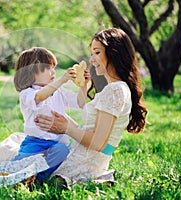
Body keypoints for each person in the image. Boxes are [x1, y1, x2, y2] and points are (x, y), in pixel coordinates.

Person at [34, 28, 148, 184]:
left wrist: (67, 128)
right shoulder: (114, 88)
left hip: (83, 164)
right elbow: (92, 129)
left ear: (114, 53)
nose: (92, 60)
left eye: (97, 52)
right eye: (92, 53)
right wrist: (65, 120)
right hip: (82, 157)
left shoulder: (115, 90)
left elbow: (98, 143)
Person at [12, 47, 89, 183]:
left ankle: (38, 178)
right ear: (31, 72)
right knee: (18, 165)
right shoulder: (27, 93)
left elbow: (80, 102)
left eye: (53, 68)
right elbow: (40, 96)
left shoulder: (59, 92)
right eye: (48, 68)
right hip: (35, 142)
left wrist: (84, 85)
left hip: (56, 143)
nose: (53, 72)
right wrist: (62, 80)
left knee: (62, 151)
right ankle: (11, 173)